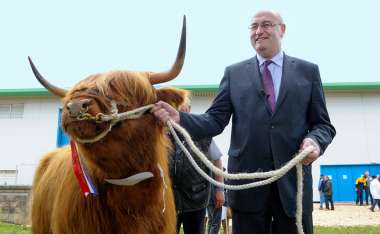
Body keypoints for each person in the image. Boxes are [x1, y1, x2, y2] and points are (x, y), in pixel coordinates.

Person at [152, 10, 336, 234]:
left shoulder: (308, 72)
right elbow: (214, 121)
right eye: (254, 26)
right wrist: (179, 117)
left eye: (266, 25)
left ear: (282, 29)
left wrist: (315, 141)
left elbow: (323, 125)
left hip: (292, 188)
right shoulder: (234, 74)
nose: (259, 31)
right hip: (247, 191)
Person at [169, 102, 224, 234]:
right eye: (177, 107)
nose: (181, 111)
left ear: (189, 110)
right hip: (170, 200)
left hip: (196, 200)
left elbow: (217, 161)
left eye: (184, 108)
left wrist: (219, 189)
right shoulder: (164, 132)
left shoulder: (202, 132)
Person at [206, 167, 227, 234]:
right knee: (215, 223)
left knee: (211, 221)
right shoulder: (216, 173)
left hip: (208, 198)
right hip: (215, 198)